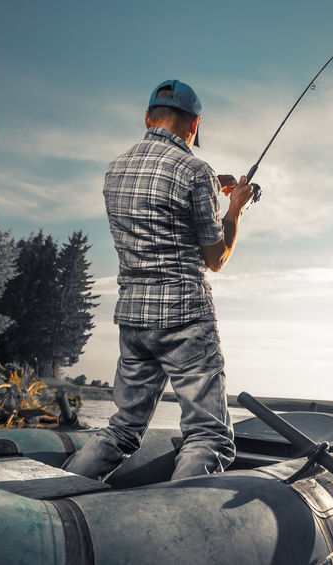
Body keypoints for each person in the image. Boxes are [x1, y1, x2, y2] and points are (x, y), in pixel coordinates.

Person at [62, 79, 255, 481]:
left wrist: (211, 186)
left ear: (148, 117)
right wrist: (234, 208)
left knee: (121, 431)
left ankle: (54, 497)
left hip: (133, 321)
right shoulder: (194, 170)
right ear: (196, 124)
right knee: (208, 437)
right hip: (185, 319)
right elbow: (215, 258)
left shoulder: (115, 169)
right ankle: (183, 535)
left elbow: (157, 193)